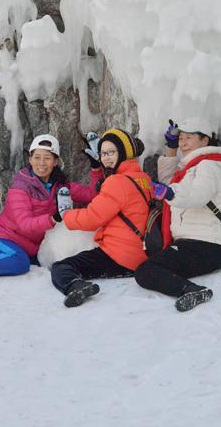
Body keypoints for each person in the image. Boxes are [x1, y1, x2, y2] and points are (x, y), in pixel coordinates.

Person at [0, 134, 103, 284]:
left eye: (47, 158)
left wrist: (97, 169)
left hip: (29, 247)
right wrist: (54, 218)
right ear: (30, 159)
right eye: (37, 157)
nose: (42, 163)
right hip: (2, 238)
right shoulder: (21, 186)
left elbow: (92, 195)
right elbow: (24, 225)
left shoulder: (60, 185)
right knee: (19, 261)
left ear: (55, 162)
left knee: (29, 258)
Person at [134, 118, 221, 312]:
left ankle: (192, 290)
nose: (183, 143)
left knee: (146, 271)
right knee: (148, 267)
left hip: (209, 244)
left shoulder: (208, 166)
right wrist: (171, 149)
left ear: (205, 141)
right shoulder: (190, 169)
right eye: (180, 138)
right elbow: (170, 181)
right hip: (195, 243)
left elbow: (198, 196)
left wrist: (170, 193)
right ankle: (189, 288)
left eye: (189, 137)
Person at [51, 128, 151, 307]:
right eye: (103, 153)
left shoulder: (117, 182)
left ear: (124, 153)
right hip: (140, 252)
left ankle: (75, 286)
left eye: (111, 152)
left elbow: (92, 218)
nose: (106, 157)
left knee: (61, 268)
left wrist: (67, 215)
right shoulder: (143, 179)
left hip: (120, 256)